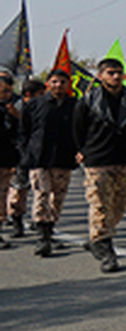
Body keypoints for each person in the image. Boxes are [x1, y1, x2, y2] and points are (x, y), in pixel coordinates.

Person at [73, 58, 126, 273]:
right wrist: (82, 150)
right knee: (100, 204)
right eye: (110, 72)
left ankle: (97, 236)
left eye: (119, 72)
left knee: (119, 203)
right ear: (101, 75)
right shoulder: (88, 100)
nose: (116, 76)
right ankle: (105, 249)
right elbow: (77, 128)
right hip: (98, 159)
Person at [23, 70, 77, 258]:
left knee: (58, 198)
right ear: (47, 84)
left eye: (62, 82)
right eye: (54, 82)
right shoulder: (36, 105)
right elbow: (24, 130)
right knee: (42, 195)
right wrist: (25, 153)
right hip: (39, 158)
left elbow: (80, 131)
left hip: (63, 158)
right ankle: (42, 236)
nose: (58, 85)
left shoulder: (74, 105)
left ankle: (50, 228)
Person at [7, 78, 46, 239]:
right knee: (18, 190)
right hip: (18, 155)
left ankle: (43, 227)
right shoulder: (16, 108)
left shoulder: (41, 107)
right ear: (29, 94)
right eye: (40, 94)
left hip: (37, 155)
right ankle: (16, 220)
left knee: (41, 191)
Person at [0, 70, 19, 249]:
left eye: (8, 91)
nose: (7, 94)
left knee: (3, 194)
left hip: (6, 158)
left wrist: (16, 116)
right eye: (3, 90)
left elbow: (19, 132)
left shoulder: (12, 108)